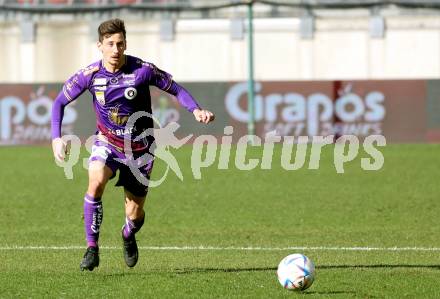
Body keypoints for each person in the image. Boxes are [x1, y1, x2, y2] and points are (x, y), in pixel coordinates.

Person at [51, 18, 215, 271]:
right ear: (100, 46)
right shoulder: (90, 75)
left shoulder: (142, 70)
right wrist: (56, 138)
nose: (115, 49)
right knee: (95, 182)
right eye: (110, 44)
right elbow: (58, 103)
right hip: (107, 142)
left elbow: (175, 88)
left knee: (134, 213)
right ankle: (92, 248)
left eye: (120, 44)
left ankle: (128, 235)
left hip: (141, 149)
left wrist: (195, 110)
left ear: (126, 44)